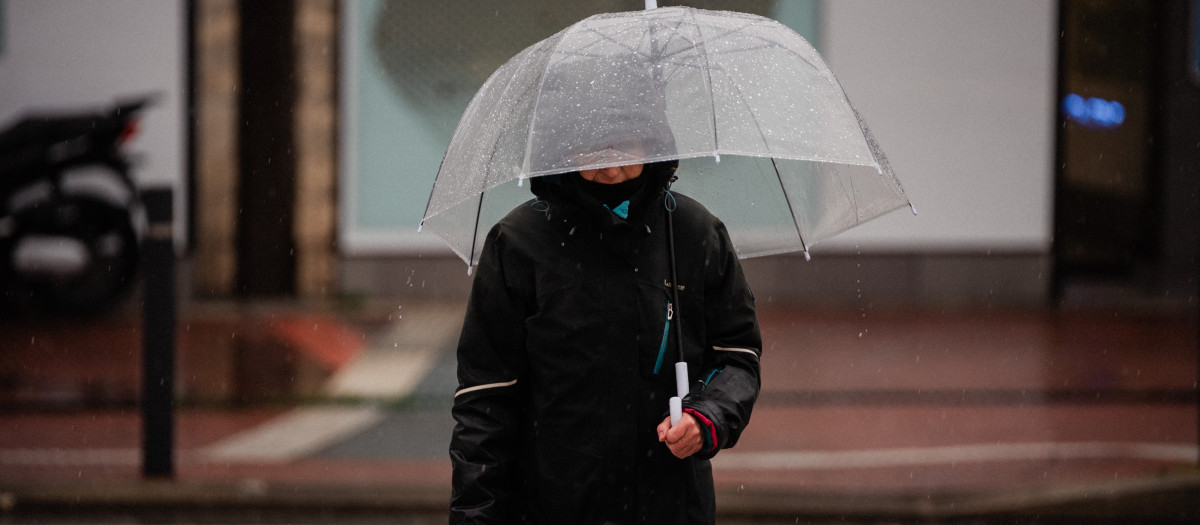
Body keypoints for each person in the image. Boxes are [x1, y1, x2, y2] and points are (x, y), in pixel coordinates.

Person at [448, 155, 761, 524]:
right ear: (563, 144)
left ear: (652, 140)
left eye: (625, 149)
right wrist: (475, 515)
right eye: (594, 152)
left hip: (672, 507)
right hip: (550, 507)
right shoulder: (518, 243)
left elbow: (737, 355)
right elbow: (485, 399)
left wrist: (707, 414)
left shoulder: (694, 233)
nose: (612, 170)